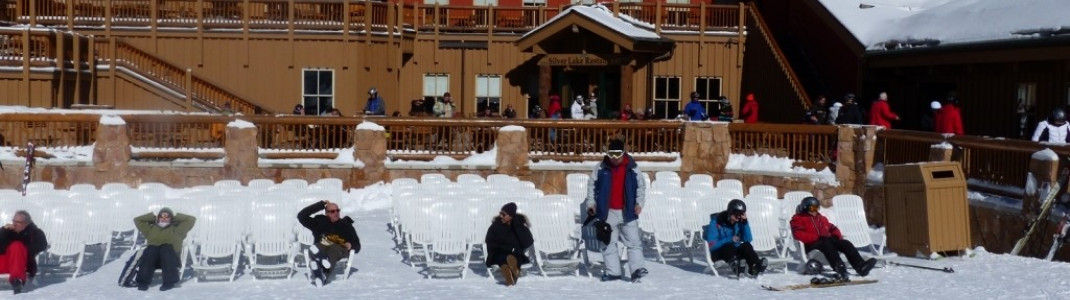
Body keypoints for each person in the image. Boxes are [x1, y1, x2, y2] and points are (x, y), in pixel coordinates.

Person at [584, 138, 648, 282]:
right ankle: (613, 271)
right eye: (611, 154)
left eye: (617, 154)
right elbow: (591, 186)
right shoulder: (601, 167)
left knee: (633, 242)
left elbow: (641, 187)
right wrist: (591, 204)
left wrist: (639, 203)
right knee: (608, 242)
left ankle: (637, 269)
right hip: (607, 212)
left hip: (628, 211)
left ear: (623, 153)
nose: (613, 158)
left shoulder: (632, 167)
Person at [790, 197, 876, 277]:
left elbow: (832, 228)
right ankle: (839, 267)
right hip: (810, 244)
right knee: (827, 244)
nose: (815, 211)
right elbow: (798, 234)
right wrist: (816, 237)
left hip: (824, 241)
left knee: (845, 243)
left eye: (817, 208)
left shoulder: (821, 219)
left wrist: (836, 235)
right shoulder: (798, 219)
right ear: (805, 208)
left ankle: (860, 266)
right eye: (812, 208)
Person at [298, 200, 361, 287]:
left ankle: (323, 273)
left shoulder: (346, 225)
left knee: (334, 249)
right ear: (326, 213)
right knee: (316, 246)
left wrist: (350, 245)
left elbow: (357, 245)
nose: (336, 213)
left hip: (339, 249)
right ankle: (321, 259)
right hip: (322, 245)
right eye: (332, 211)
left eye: (337, 210)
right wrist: (321, 205)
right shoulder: (319, 222)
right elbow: (301, 216)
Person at [133, 208, 196, 291]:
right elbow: (137, 220)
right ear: (158, 218)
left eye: (167, 217)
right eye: (161, 216)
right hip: (153, 261)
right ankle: (143, 282)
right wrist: (153, 217)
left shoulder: (178, 230)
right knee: (151, 249)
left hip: (171, 261)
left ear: (171, 218)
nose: (164, 218)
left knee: (166, 248)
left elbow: (191, 219)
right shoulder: (150, 229)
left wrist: (175, 218)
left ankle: (169, 282)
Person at [706, 199, 767, 277]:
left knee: (746, 246)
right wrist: (730, 239)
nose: (739, 217)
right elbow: (712, 245)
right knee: (728, 246)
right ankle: (736, 266)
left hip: (734, 251)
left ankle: (755, 267)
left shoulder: (739, 222)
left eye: (741, 214)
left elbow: (748, 239)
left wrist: (745, 223)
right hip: (718, 253)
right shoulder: (715, 223)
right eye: (737, 214)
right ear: (730, 212)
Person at [484, 202, 533, 286]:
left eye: (504, 214)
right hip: (498, 252)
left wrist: (518, 227)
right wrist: (504, 248)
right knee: (502, 257)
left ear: (511, 216)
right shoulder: (496, 226)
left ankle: (508, 273)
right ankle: (513, 271)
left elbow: (527, 243)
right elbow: (489, 241)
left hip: (516, 253)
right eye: (500, 213)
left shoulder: (519, 226)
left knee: (513, 257)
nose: (501, 216)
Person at [0, 211, 47, 294]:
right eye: (13, 221)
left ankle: (17, 280)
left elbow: (41, 245)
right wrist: (3, 231)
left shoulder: (36, 233)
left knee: (17, 245)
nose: (14, 224)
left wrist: (19, 241)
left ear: (26, 223)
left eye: (17, 222)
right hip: (5, 263)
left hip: (22, 264)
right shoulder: (7, 231)